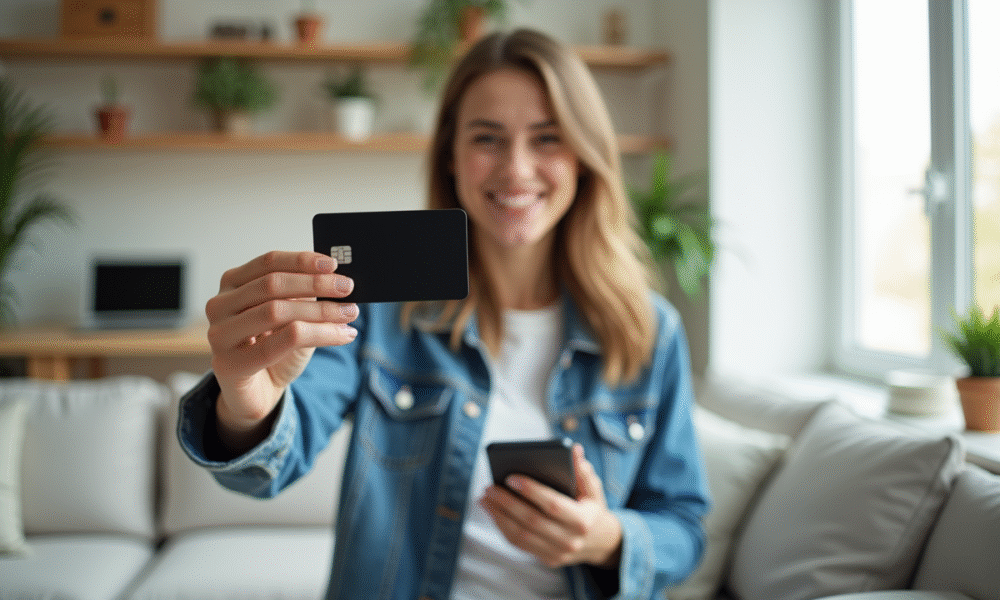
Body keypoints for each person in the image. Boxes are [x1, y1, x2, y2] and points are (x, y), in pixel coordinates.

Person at [178, 28, 709, 600]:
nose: (516, 169)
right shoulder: (381, 314)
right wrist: (246, 400)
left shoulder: (650, 331)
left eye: (547, 138)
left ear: (583, 157)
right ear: (451, 157)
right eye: (487, 138)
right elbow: (265, 469)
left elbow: (683, 526)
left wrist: (606, 539)